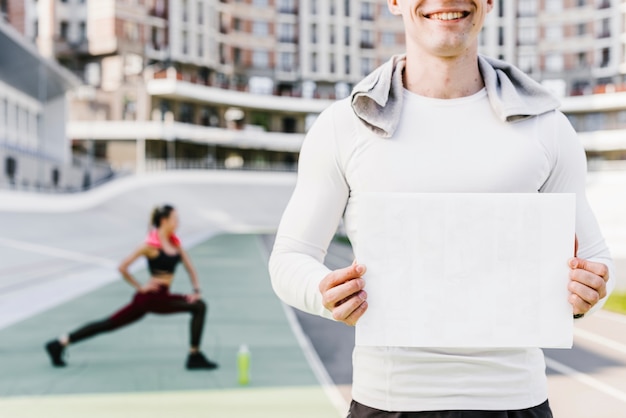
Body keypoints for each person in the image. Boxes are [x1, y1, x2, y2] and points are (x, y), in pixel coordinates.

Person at [269, 1, 614, 417]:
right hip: (388, 403)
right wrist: (324, 293)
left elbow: (594, 259)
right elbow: (290, 258)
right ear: (394, 3)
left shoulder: (548, 126)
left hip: (516, 402)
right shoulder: (342, 125)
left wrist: (588, 292)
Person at [45, 204, 218, 370]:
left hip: (158, 298)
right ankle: (194, 356)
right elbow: (122, 267)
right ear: (164, 221)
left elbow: (190, 268)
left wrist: (196, 291)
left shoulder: (175, 244)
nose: (178, 222)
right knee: (199, 307)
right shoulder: (150, 246)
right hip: (151, 298)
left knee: (109, 324)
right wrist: (140, 286)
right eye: (175, 219)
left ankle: (59, 343)